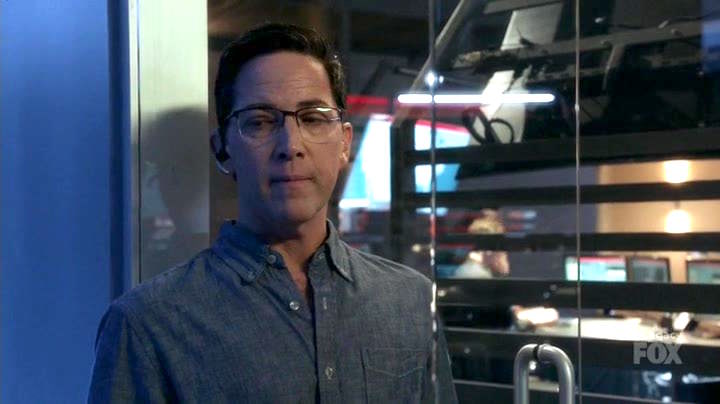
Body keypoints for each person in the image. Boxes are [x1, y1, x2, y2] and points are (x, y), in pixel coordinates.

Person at [88, 23, 457, 403]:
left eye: (313, 117)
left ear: (345, 142)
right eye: (260, 122)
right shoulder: (149, 323)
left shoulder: (409, 300)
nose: (291, 145)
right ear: (223, 150)